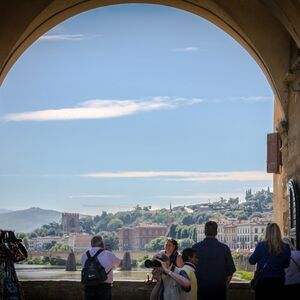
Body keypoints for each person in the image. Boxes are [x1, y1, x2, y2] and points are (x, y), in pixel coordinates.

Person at [192, 221, 236, 300]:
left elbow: (191, 270)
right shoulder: (224, 248)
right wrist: (225, 286)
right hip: (219, 290)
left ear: (204, 232)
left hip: (201, 290)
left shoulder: (195, 248)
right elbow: (230, 271)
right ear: (216, 232)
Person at [248, 222, 291, 300]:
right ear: (278, 233)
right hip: (279, 281)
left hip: (263, 281)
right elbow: (286, 265)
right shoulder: (286, 247)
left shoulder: (261, 245)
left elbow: (251, 261)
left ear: (267, 232)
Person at [81, 235, 122, 300]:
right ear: (102, 244)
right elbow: (120, 264)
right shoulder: (108, 254)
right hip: (104, 287)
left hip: (89, 285)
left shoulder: (84, 255)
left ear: (91, 244)